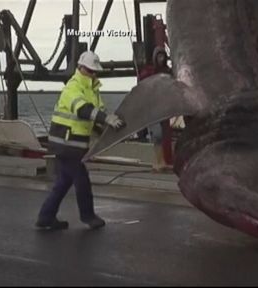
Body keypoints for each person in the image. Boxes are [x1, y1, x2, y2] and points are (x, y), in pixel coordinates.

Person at [36, 51, 125, 230]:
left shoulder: (93, 90)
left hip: (72, 145)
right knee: (81, 180)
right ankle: (88, 216)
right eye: (91, 70)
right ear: (81, 68)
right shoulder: (72, 87)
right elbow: (83, 110)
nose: (93, 74)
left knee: (63, 182)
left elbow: (98, 112)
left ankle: (46, 217)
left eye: (95, 71)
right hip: (66, 144)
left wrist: (109, 123)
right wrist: (105, 119)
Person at [138, 47, 172, 171]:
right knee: (157, 135)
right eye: (159, 56)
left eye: (163, 56)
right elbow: (142, 82)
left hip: (164, 107)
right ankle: (158, 162)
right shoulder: (149, 71)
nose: (161, 59)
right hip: (152, 108)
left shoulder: (168, 71)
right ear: (155, 58)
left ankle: (161, 161)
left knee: (163, 136)